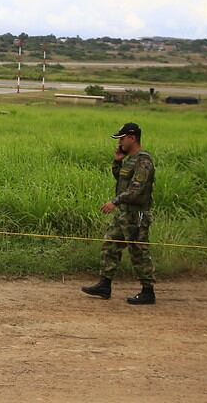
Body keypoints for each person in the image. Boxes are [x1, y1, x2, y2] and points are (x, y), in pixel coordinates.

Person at [82, 122, 157, 305]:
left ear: (132, 138)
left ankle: (148, 291)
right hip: (124, 214)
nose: (120, 142)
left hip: (137, 215)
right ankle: (105, 285)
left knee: (138, 251)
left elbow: (136, 190)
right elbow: (121, 181)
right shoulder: (130, 160)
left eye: (122, 138)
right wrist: (117, 161)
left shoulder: (143, 161)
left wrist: (114, 202)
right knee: (111, 245)